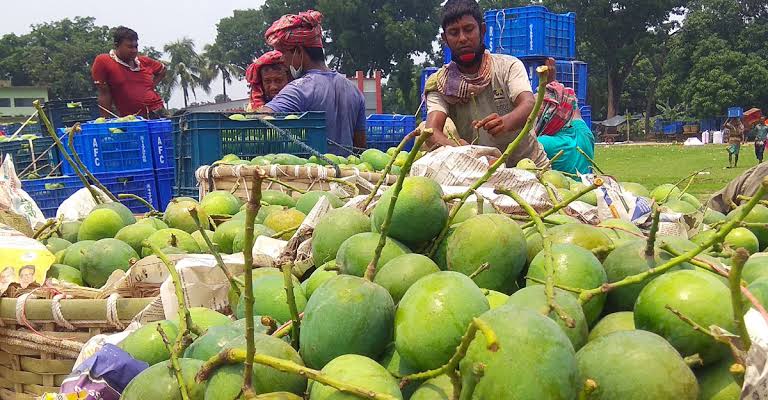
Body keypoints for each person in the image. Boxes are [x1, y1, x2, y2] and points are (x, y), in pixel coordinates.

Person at [424, 0, 549, 167]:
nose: (462, 38)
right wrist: (458, 149)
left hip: (530, 167)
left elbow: (528, 103)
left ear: (482, 30)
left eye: (469, 29)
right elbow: (431, 132)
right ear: (445, 39)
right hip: (481, 169)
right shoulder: (440, 84)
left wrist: (506, 122)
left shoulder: (507, 66)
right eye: (454, 33)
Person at [258, 10, 366, 156]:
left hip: (311, 170)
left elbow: (261, 118)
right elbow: (360, 147)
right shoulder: (354, 90)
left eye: (284, 54)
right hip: (345, 169)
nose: (283, 61)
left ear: (298, 51)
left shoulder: (299, 89)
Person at [535, 58, 595, 175]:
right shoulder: (585, 135)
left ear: (547, 116)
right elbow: (573, 108)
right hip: (586, 186)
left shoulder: (543, 144)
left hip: (560, 187)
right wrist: (552, 82)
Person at [92, 26, 167, 118]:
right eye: (130, 47)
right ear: (117, 45)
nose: (134, 50)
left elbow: (163, 70)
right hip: (132, 118)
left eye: (136, 47)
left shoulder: (143, 61)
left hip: (157, 112)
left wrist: (151, 87)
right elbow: (104, 93)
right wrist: (104, 120)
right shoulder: (104, 61)